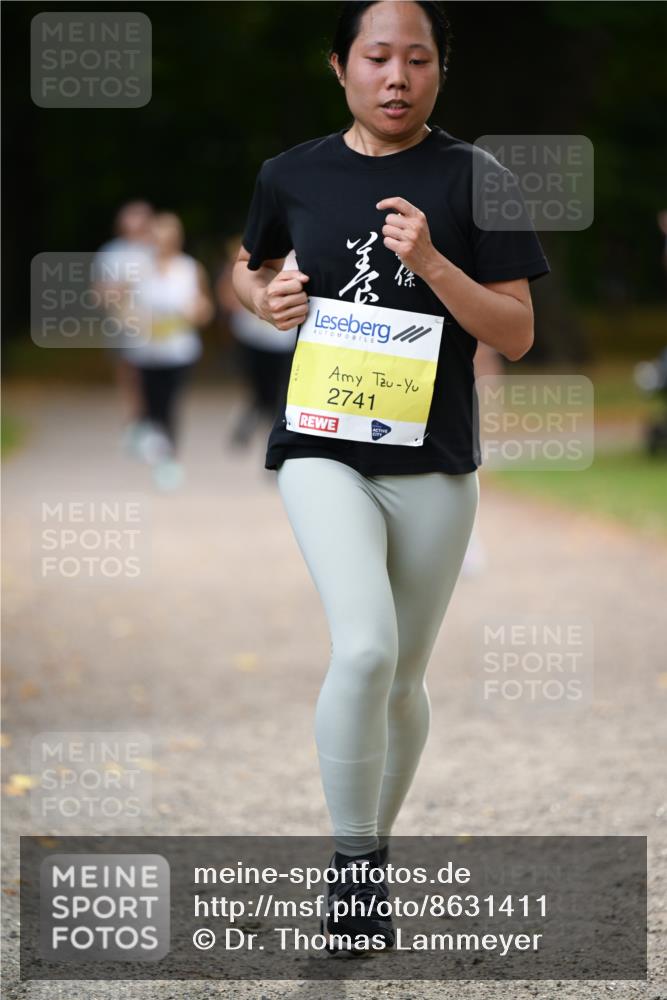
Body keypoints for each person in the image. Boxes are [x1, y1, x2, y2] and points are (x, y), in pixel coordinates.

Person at [233, 0, 549, 954]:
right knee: (364, 649)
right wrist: (266, 295)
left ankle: (375, 847)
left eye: (417, 59)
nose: (397, 77)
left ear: (439, 73)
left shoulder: (474, 176)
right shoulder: (289, 174)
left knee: (405, 678)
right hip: (322, 446)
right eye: (377, 57)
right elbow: (251, 273)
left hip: (435, 464)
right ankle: (353, 865)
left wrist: (436, 264)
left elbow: (517, 333)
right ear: (341, 66)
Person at [127, 212, 214, 490]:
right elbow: (124, 306)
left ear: (176, 239)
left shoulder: (190, 269)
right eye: (157, 237)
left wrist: (196, 312)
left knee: (170, 404)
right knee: (151, 407)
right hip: (146, 350)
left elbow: (205, 309)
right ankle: (155, 446)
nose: (162, 243)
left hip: (179, 350)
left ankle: (169, 460)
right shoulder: (139, 269)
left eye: (168, 237)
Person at [216, 235, 297, 448]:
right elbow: (229, 287)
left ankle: (269, 434)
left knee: (278, 391)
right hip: (251, 337)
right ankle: (256, 421)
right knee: (258, 388)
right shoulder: (255, 248)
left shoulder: (301, 257)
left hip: (283, 340)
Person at [93, 200, 155, 450]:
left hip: (155, 323)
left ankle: (151, 418)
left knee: (152, 373)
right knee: (129, 374)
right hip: (124, 322)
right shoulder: (112, 252)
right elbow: (99, 293)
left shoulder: (157, 249)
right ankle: (135, 420)